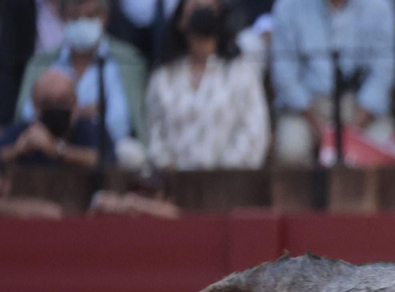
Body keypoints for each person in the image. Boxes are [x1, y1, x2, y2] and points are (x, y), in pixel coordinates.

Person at [14, 0, 146, 167]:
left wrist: (68, 115)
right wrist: (81, 113)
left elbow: (121, 124)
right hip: (42, 153)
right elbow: (25, 116)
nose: (82, 21)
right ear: (63, 18)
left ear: (104, 17)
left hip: (108, 157)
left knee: (131, 154)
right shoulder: (41, 63)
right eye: (75, 16)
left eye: (90, 16)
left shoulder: (128, 61)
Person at [270, 0, 395, 167]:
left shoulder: (380, 6)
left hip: (362, 109)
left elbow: (383, 72)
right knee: (291, 151)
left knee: (385, 156)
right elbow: (284, 73)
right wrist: (318, 126)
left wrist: (353, 131)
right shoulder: (287, 6)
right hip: (307, 109)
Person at [144, 0, 268, 169]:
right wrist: (168, 166)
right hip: (173, 183)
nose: (202, 17)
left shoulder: (241, 72)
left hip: (228, 181)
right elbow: (153, 129)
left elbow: (254, 132)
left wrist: (222, 172)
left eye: (209, 9)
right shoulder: (163, 76)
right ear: (181, 20)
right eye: (195, 9)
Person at [0, 64, 96, 164]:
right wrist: (17, 150)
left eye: (62, 102)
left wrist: (57, 149)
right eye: (47, 103)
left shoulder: (91, 131)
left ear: (75, 103)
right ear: (35, 105)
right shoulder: (21, 132)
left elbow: (103, 161)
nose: (55, 108)